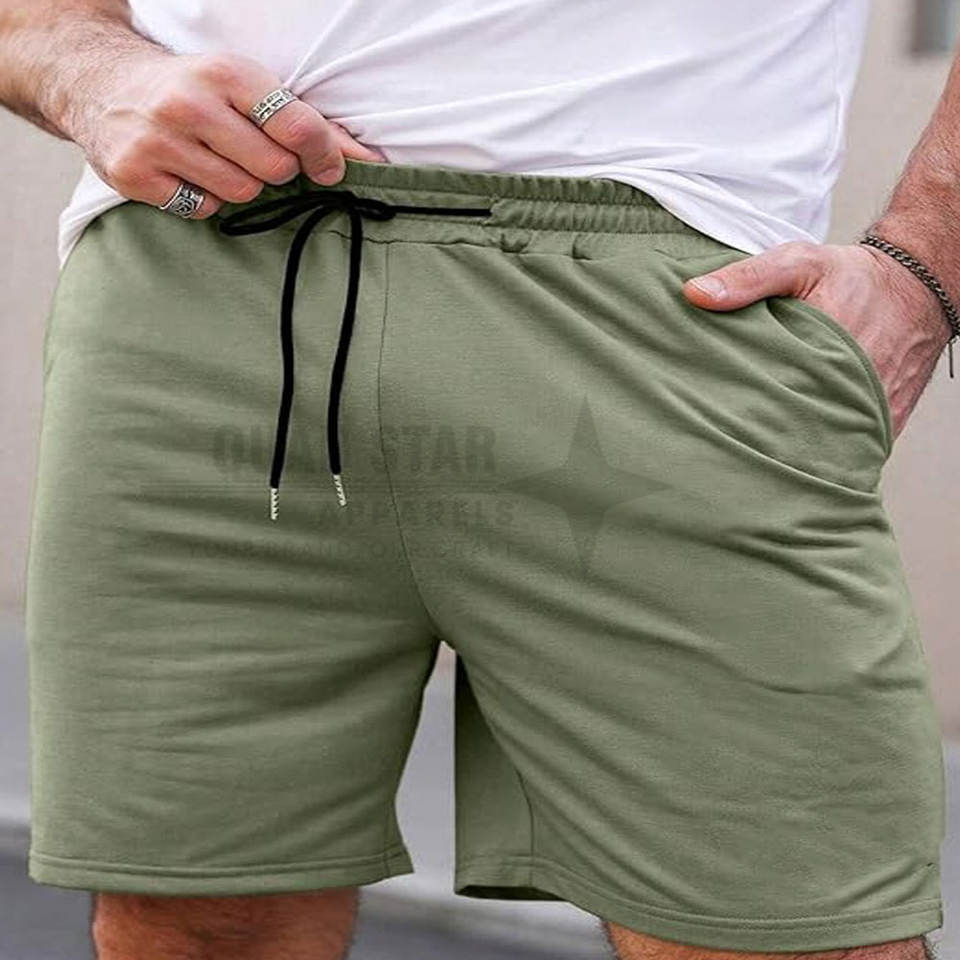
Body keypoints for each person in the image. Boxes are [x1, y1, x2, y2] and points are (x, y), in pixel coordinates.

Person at [0, 1, 951, 958]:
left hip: (670, 307)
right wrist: (90, 70)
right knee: (198, 919)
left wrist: (923, 270)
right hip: (200, 276)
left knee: (790, 926)